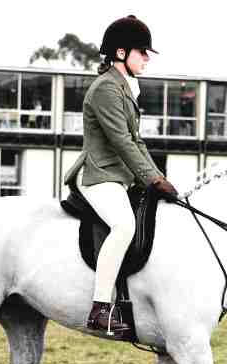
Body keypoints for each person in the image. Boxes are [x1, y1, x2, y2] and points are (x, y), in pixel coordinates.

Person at [63, 14, 178, 337]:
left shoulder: (126, 88)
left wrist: (157, 177)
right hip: (100, 176)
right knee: (124, 225)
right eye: (142, 53)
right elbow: (122, 142)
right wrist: (153, 180)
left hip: (121, 177)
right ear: (121, 53)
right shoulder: (105, 89)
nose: (146, 59)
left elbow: (137, 141)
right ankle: (100, 308)